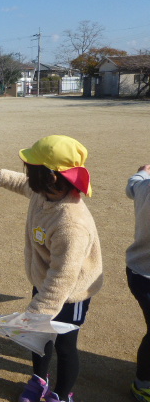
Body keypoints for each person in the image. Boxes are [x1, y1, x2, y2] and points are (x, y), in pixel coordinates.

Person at [0, 135, 103, 402]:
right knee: (40, 338)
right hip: (45, 281)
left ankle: (61, 394)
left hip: (72, 292)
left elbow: (64, 277)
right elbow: (25, 185)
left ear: (50, 177)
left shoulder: (71, 224)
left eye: (31, 168)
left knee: (65, 345)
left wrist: (35, 315)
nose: (27, 172)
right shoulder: (44, 192)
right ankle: (39, 380)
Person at [125, 164, 150, 402]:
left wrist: (143, 172)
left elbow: (131, 185)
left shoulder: (144, 187)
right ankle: (143, 383)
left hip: (137, 272)